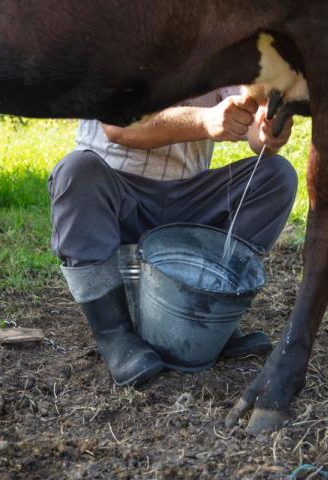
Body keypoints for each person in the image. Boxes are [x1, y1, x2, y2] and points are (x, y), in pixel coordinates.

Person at [48, 87, 297, 387]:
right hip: (116, 195)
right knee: (76, 172)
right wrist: (206, 121)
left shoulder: (221, 49)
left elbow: (256, 133)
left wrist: (268, 133)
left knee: (276, 177)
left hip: (188, 200)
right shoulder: (118, 40)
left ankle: (212, 312)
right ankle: (115, 334)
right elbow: (118, 127)